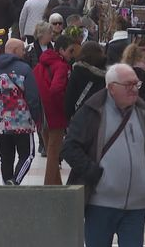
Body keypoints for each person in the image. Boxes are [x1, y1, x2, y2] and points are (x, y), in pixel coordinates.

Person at [62, 63, 145, 247]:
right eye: (128, 85)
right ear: (111, 88)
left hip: (135, 205)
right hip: (100, 204)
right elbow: (70, 147)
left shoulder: (142, 110)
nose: (134, 89)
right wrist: (95, 174)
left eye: (136, 84)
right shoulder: (93, 110)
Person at [0, 39, 42, 185]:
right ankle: (15, 182)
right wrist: (37, 118)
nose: (24, 52)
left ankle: (7, 185)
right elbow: (33, 98)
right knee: (27, 155)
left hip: (1, 125)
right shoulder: (25, 69)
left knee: (6, 158)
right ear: (15, 51)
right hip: (23, 123)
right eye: (22, 50)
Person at [33, 35, 78, 185]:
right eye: (71, 51)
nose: (72, 55)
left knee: (50, 148)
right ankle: (49, 186)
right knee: (54, 152)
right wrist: (65, 107)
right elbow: (56, 90)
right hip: (55, 113)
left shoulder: (41, 63)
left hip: (41, 111)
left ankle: (56, 184)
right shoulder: (61, 66)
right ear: (61, 50)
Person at [24, 22, 53, 157]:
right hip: (36, 86)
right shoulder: (30, 50)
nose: (51, 35)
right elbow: (27, 69)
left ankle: (48, 143)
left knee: (49, 115)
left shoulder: (53, 48)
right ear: (42, 35)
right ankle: (42, 143)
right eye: (49, 33)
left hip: (51, 86)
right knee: (39, 115)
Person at [64, 41, 106, 119]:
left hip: (80, 116)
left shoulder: (77, 71)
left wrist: (69, 115)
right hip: (98, 117)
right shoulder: (105, 75)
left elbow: (70, 98)